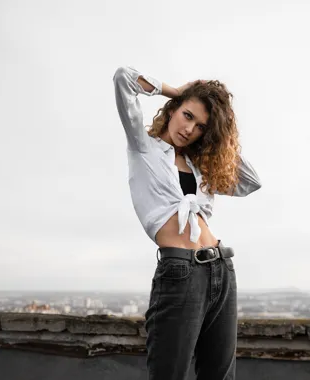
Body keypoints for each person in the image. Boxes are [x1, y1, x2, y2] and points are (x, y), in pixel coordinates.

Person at [113, 65, 261, 380]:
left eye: (201, 126)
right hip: (180, 271)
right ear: (172, 110)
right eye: (187, 115)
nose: (189, 128)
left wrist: (223, 137)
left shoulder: (199, 166)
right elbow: (124, 78)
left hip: (222, 268)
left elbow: (250, 182)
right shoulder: (143, 148)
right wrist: (181, 92)